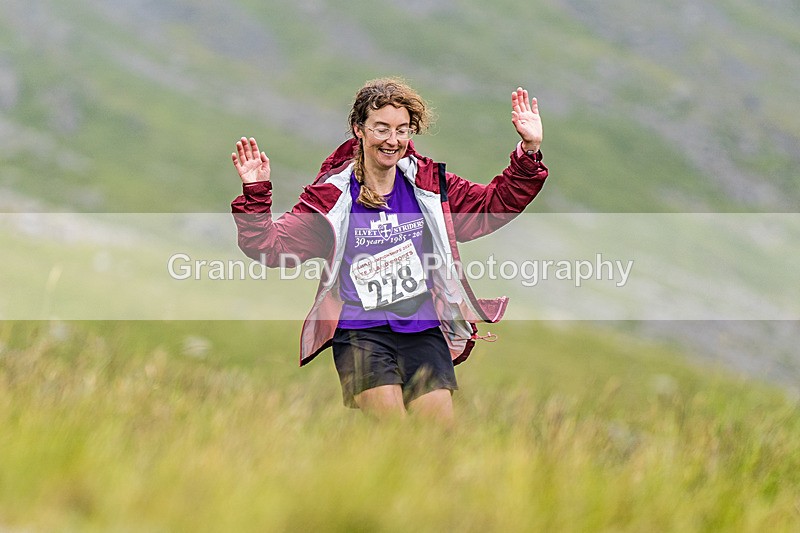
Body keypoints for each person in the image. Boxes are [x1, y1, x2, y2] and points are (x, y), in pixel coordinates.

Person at [231, 78, 547, 423]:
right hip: (360, 333)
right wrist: (256, 192)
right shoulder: (332, 198)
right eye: (381, 128)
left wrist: (528, 152)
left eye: (402, 130)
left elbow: (492, 205)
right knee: (394, 435)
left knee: (440, 440)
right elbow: (270, 248)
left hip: (423, 330)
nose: (392, 140)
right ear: (359, 129)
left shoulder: (428, 185)